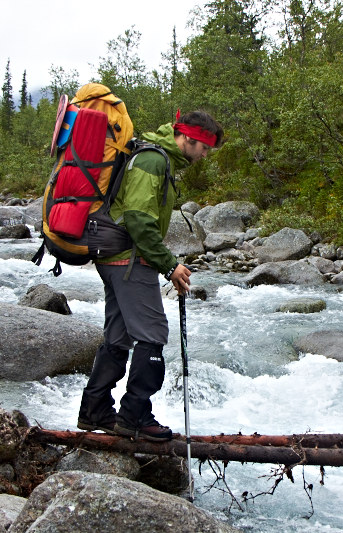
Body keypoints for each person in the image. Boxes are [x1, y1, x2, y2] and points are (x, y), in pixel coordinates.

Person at [77, 110, 224, 441]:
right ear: (187, 138)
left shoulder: (156, 157)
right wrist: (169, 265)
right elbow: (138, 219)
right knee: (153, 334)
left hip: (117, 256)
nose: (205, 155)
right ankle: (134, 416)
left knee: (118, 335)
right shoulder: (152, 161)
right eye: (204, 147)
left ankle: (94, 410)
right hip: (129, 258)